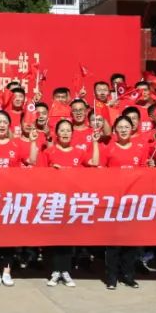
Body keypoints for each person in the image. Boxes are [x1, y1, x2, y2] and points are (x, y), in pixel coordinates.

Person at [0, 110, 39, 287]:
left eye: (5, 122)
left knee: (10, 236)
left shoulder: (16, 145)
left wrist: (33, 141)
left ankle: (7, 271)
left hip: (11, 198)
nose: (2, 125)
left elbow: (32, 161)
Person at [38, 119, 98, 287]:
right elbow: (39, 174)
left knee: (68, 238)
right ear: (56, 133)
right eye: (62, 130)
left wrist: (95, 142)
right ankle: (55, 271)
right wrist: (52, 172)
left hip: (72, 201)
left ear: (72, 133)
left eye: (68, 130)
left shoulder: (79, 152)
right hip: (54, 201)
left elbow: (94, 163)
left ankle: (65, 271)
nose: (65, 133)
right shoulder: (49, 152)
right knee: (54, 239)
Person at [100, 116, 149, 290]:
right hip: (114, 202)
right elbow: (101, 173)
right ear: (114, 130)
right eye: (119, 127)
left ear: (132, 129)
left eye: (126, 127)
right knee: (113, 243)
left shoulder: (140, 148)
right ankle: (111, 276)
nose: (123, 130)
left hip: (133, 202)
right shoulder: (109, 148)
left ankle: (128, 275)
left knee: (131, 242)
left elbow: (144, 172)